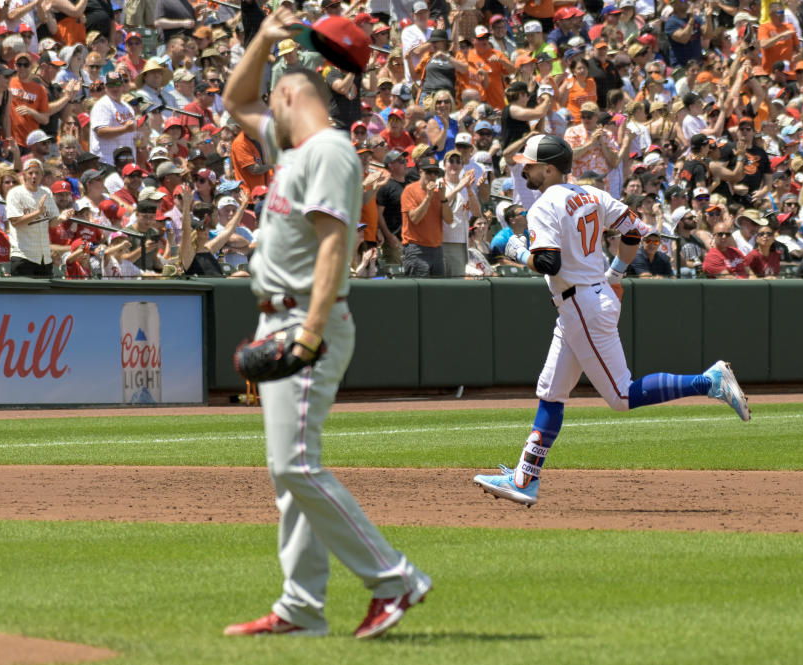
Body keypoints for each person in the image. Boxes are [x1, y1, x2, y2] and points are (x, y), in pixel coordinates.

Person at [221, 9, 431, 639]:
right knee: (291, 478)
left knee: (296, 468)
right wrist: (262, 38)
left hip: (305, 323)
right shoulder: (292, 148)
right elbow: (236, 98)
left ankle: (393, 580)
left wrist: (309, 333)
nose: (264, 110)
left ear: (289, 97)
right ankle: (301, 608)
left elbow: (336, 244)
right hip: (277, 319)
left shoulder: (333, 151)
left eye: (273, 99)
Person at [473, 134, 750, 508]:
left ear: (550, 167)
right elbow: (636, 230)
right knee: (551, 392)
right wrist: (616, 273)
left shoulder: (542, 206)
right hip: (586, 299)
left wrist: (514, 248)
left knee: (621, 395)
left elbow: (548, 263)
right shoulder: (592, 194)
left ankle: (709, 381)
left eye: (531, 163)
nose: (525, 168)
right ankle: (524, 479)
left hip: (582, 303)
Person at [5, 157, 61, 276]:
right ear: (24, 175)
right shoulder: (15, 193)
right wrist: (37, 212)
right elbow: (15, 222)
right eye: (30, 173)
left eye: (37, 173)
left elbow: (52, 223)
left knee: (45, 294)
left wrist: (62, 218)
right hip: (23, 256)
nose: (34, 176)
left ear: (42, 175)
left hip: (44, 257)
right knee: (23, 294)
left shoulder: (46, 192)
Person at [401, 155, 453, 276]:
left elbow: (450, 220)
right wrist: (428, 197)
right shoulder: (410, 190)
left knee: (438, 291)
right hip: (416, 249)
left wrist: (443, 198)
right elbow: (414, 219)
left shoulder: (438, 193)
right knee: (420, 290)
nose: (433, 176)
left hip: (437, 249)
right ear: (420, 171)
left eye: (436, 173)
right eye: (429, 172)